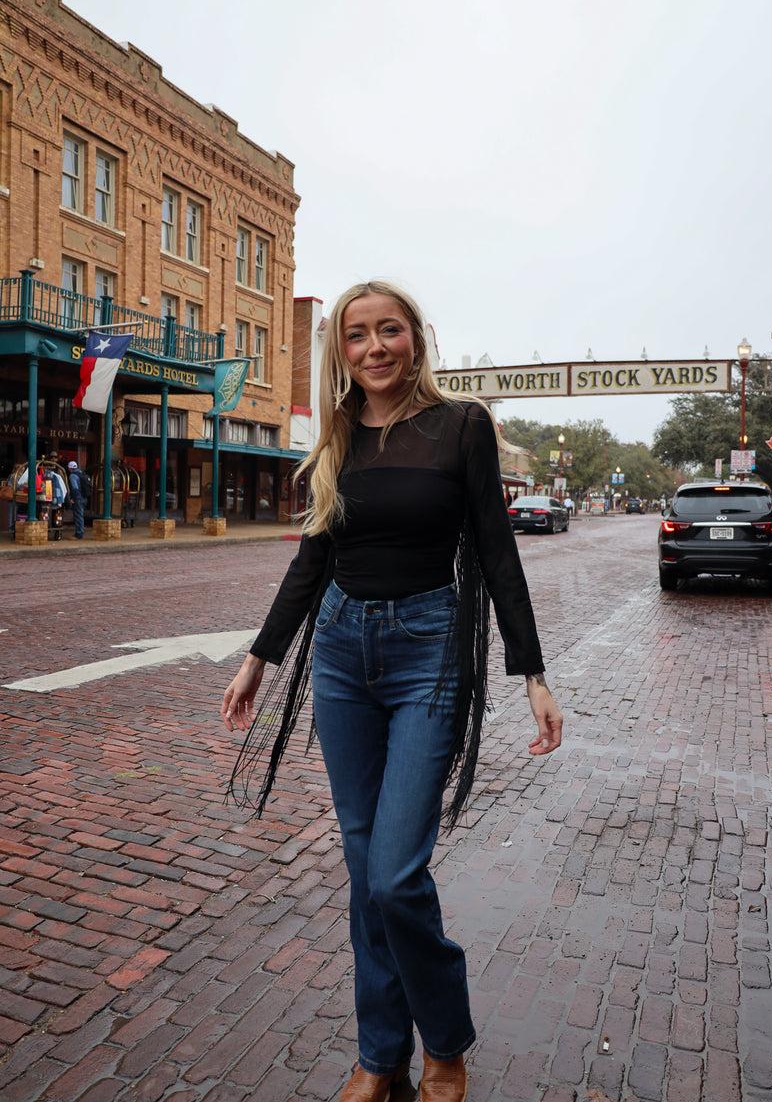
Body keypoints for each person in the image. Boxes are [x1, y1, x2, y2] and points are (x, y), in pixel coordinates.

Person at [222, 281, 563, 1102]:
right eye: (356, 337)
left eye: (390, 331)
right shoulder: (339, 434)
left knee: (394, 875)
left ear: (416, 337)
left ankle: (444, 1041)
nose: (374, 348)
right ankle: (381, 1057)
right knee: (361, 861)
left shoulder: (462, 426)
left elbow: (494, 549)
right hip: (340, 654)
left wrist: (533, 676)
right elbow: (313, 557)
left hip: (427, 654)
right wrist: (259, 658)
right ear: (340, 351)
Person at [67, 461, 84, 539]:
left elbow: (75, 488)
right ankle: (80, 532)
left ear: (69, 468)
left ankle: (79, 534)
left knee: (78, 515)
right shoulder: (81, 473)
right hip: (83, 498)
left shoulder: (72, 476)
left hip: (78, 498)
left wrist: (73, 498)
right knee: (80, 515)